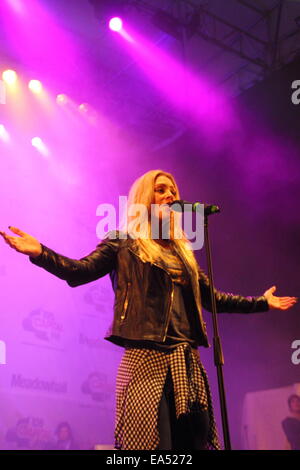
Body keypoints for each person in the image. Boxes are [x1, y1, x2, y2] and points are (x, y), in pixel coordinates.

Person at [0, 169, 297, 450]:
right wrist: (40, 252)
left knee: (193, 444)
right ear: (144, 199)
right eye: (161, 190)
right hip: (146, 361)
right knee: (153, 446)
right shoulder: (123, 241)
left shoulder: (183, 252)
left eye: (173, 191)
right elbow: (80, 271)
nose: (170, 195)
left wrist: (261, 302)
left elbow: (213, 299)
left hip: (186, 362)